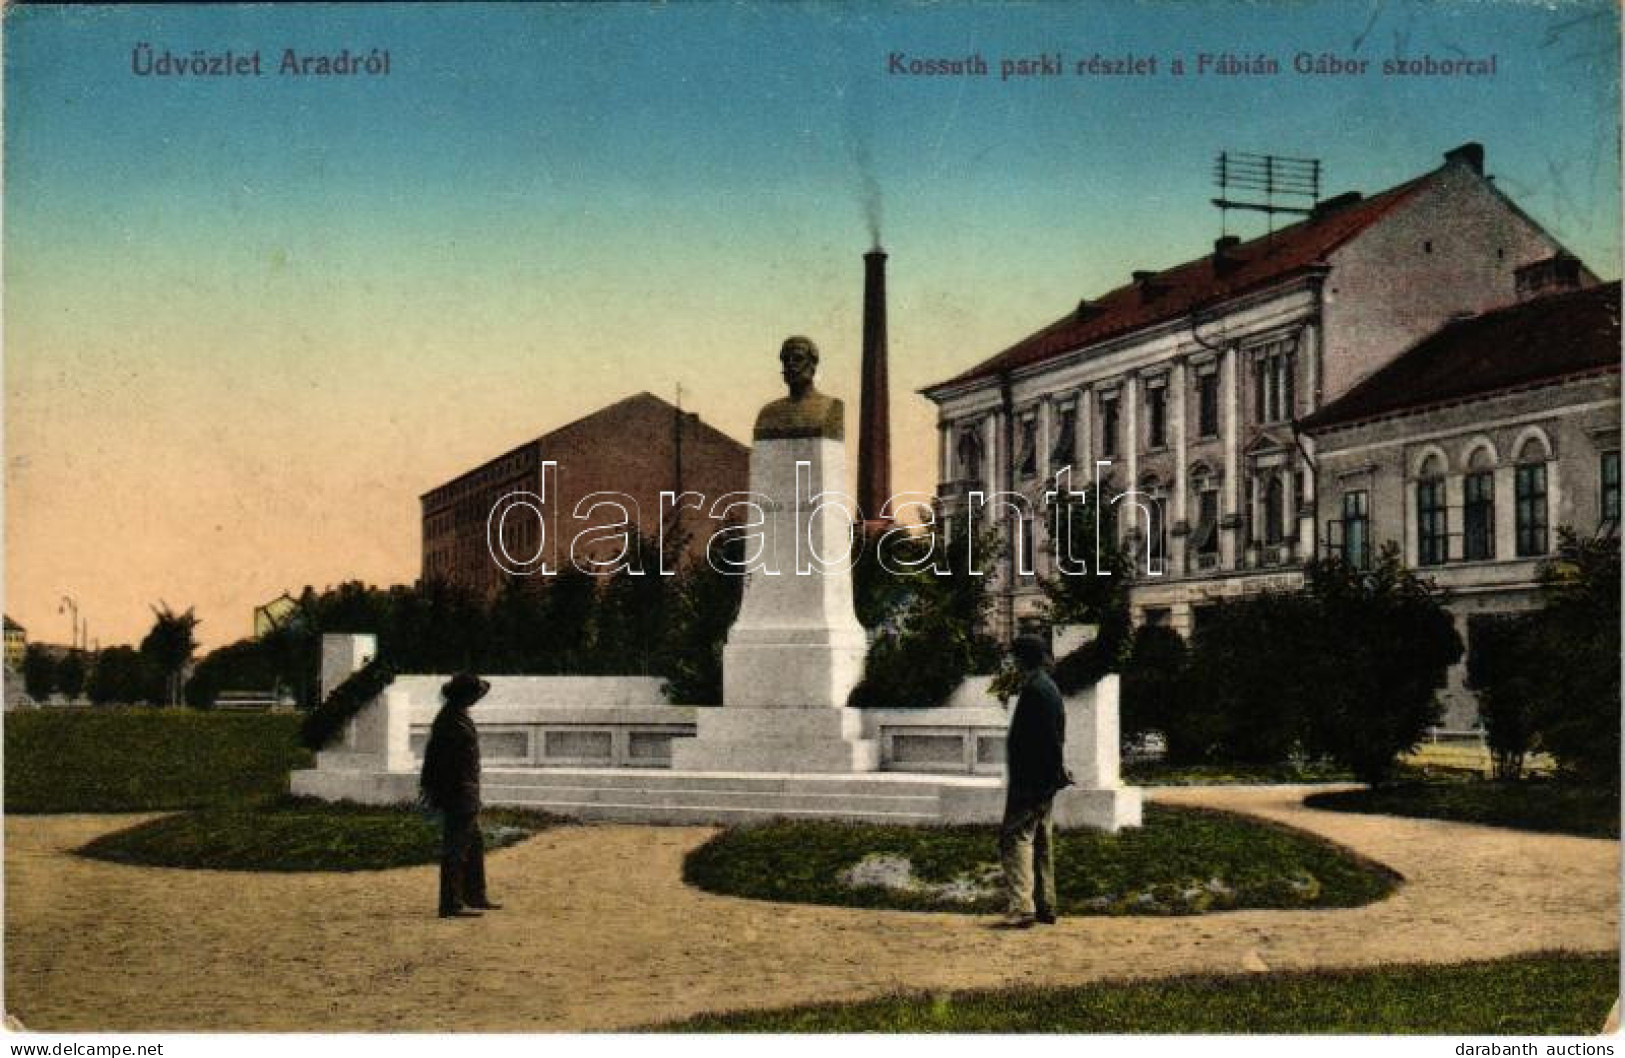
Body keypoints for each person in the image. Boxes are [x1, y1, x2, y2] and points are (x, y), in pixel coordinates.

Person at [997, 634, 1072, 928]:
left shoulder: (1034, 690)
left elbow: (1043, 741)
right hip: (1045, 780)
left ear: (1019, 660)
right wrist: (1057, 774)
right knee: (1041, 841)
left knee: (1015, 839)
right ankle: (1045, 905)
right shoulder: (1049, 688)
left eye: (1013, 658)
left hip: (1030, 782)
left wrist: (1043, 777)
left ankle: (1022, 907)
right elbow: (1057, 738)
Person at [419, 671, 502, 919]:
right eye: (475, 695)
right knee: (456, 848)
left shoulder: (455, 717)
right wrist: (437, 792)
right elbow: (438, 762)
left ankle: (474, 894)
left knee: (474, 844)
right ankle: (450, 903)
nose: (477, 699)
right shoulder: (449, 721)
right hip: (457, 793)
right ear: (465, 696)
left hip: (464, 790)